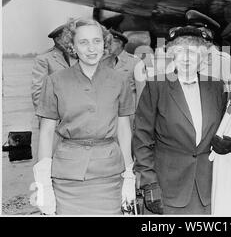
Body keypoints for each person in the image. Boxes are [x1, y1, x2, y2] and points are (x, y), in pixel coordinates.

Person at [132, 12, 231, 215]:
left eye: (194, 52)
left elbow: (227, 128)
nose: (187, 58)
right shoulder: (156, 86)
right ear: (172, 54)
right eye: (180, 51)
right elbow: (142, 138)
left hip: (209, 188)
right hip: (167, 189)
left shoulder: (216, 87)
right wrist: (149, 183)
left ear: (203, 57)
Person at [33, 18, 135, 215]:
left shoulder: (120, 81)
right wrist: (43, 183)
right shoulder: (55, 81)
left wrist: (129, 175)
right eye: (83, 42)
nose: (91, 48)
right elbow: (46, 133)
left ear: (104, 44)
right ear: (72, 46)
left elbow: (124, 130)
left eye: (96, 41)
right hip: (67, 180)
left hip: (110, 176)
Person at [31, 24, 77, 111]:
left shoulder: (74, 57)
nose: (71, 40)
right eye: (67, 37)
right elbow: (38, 93)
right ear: (58, 39)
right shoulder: (44, 59)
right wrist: (45, 120)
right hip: (55, 114)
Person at [105, 28, 146, 109]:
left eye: (110, 43)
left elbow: (141, 91)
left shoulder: (136, 62)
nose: (107, 45)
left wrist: (139, 115)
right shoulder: (105, 61)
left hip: (128, 110)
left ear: (120, 43)